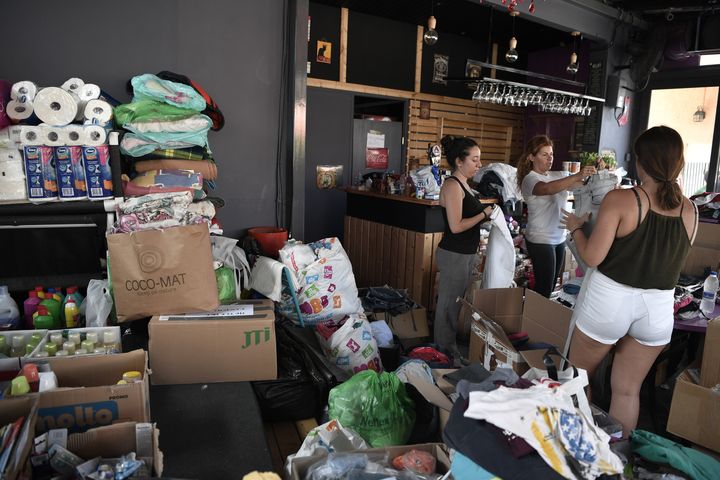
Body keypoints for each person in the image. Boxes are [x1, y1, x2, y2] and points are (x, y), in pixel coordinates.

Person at [562, 126, 698, 438]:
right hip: (657, 310)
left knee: (577, 379)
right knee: (626, 392)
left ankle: (582, 456)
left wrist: (575, 229)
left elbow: (593, 258)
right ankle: (618, 462)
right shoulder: (690, 210)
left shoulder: (622, 199)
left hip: (610, 301)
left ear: (641, 161)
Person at [435, 135, 493, 366]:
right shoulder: (452, 185)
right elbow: (456, 226)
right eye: (475, 160)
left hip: (465, 253)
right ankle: (443, 352)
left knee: (455, 303)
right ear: (459, 161)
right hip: (454, 253)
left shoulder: (465, 185)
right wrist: (484, 214)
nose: (479, 165)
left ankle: (447, 350)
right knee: (448, 305)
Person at [516, 135, 596, 297]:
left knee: (551, 285)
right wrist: (576, 175)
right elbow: (547, 189)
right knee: (544, 287)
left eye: (551, 154)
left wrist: (596, 174)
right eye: (544, 154)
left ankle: (540, 318)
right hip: (540, 240)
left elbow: (582, 186)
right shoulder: (530, 180)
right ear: (532, 157)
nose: (549, 158)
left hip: (559, 238)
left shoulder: (559, 174)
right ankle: (532, 319)